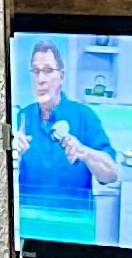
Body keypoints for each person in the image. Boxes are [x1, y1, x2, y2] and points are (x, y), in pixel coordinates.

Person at [12, 41, 118, 238]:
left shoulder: (85, 116)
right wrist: (13, 157)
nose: (41, 79)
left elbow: (111, 174)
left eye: (48, 71)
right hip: (30, 232)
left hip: (75, 232)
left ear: (61, 76)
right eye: (36, 72)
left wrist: (84, 152)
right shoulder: (21, 119)